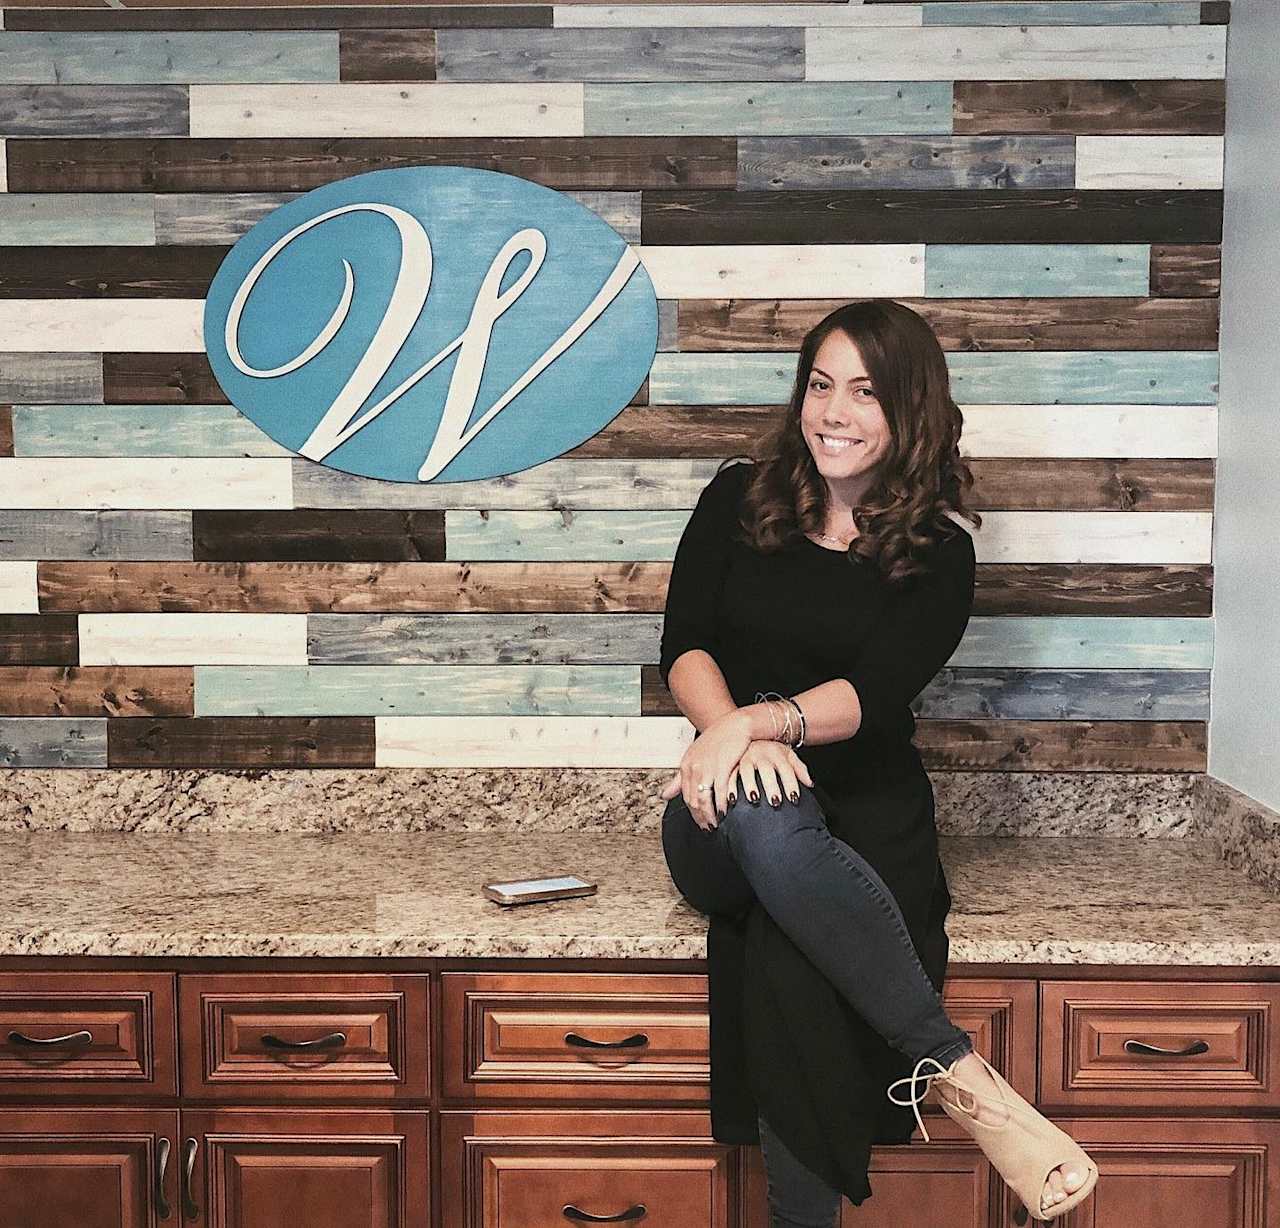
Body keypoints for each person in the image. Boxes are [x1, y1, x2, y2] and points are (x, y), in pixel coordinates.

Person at [657, 299, 1099, 1226]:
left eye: (864, 392)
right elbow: (685, 644)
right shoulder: (736, 498)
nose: (833, 412)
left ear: (910, 410)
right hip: (720, 808)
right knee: (764, 814)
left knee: (792, 955)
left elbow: (875, 690)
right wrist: (731, 736)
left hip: (867, 813)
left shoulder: (939, 553)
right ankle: (957, 1070)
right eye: (820, 385)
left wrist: (759, 725)